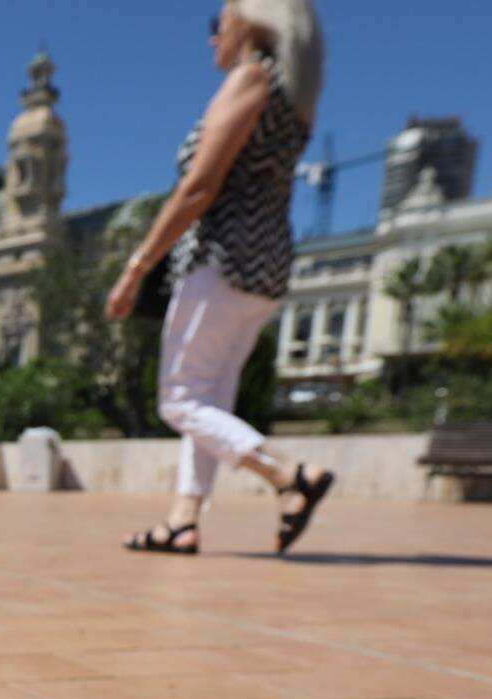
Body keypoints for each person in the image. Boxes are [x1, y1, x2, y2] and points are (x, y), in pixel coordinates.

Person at [107, 0, 335, 556]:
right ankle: (183, 521)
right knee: (209, 402)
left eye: (221, 19)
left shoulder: (252, 76)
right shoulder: (290, 94)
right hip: (266, 261)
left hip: (224, 256)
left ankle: (288, 476)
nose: (214, 35)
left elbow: (199, 188)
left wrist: (137, 267)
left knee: (179, 400)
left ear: (251, 18)